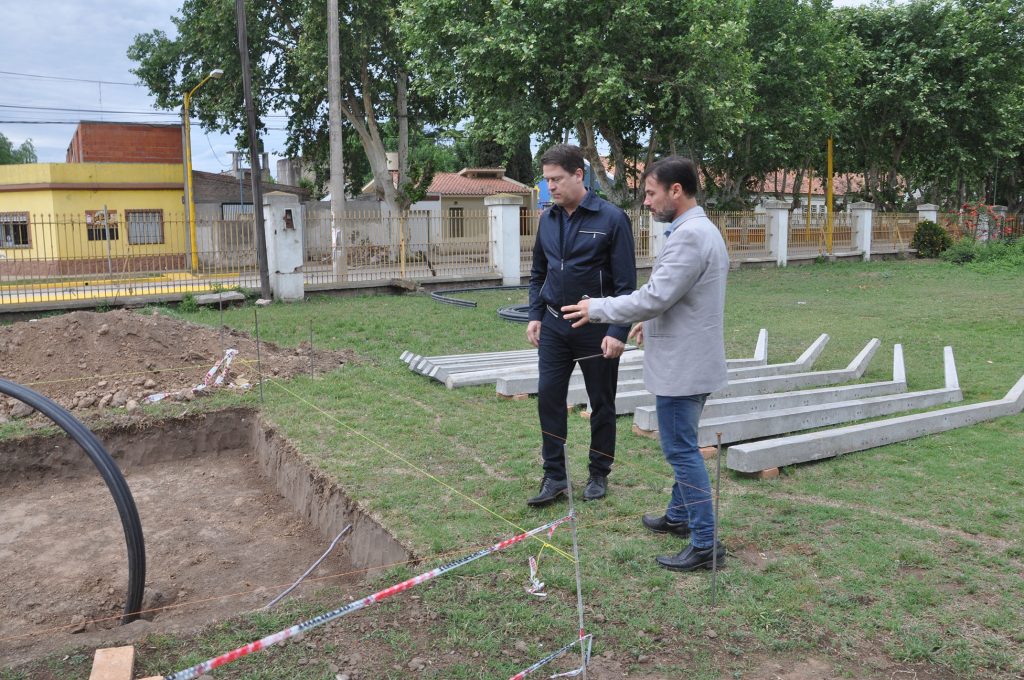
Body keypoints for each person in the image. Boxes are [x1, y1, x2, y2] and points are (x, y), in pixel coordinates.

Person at [560, 155, 729, 572]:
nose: (647, 203)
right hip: (692, 357)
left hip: (684, 368)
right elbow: (678, 297)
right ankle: (679, 515)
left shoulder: (690, 236)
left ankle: (706, 543)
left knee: (681, 450)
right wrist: (647, 326)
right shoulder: (700, 230)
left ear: (676, 190)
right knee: (683, 443)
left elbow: (654, 296)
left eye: (651, 194)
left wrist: (598, 307)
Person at [525, 144, 637, 507]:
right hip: (555, 327)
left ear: (579, 175)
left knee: (602, 403)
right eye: (546, 181)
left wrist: (617, 331)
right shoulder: (548, 219)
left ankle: (599, 473)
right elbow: (537, 273)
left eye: (556, 180)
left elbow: (625, 285)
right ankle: (555, 475)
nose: (550, 188)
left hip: (597, 329)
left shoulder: (611, 219)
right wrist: (535, 315)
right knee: (549, 399)